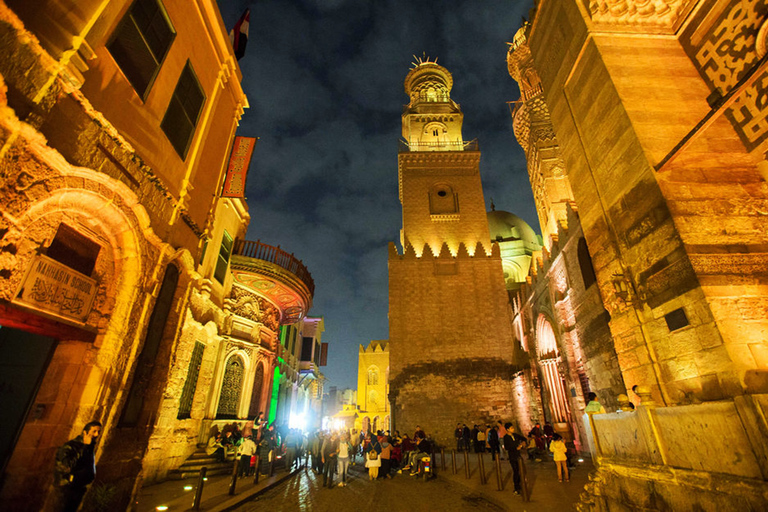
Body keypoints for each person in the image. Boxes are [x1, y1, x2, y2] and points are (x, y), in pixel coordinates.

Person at [52, 421, 102, 512]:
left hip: (79, 487)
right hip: (67, 488)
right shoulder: (71, 446)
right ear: (85, 433)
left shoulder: (89, 447)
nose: (97, 434)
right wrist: (85, 447)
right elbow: (68, 465)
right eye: (94, 431)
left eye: (99, 432)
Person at [503, 423, 526, 496]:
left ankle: (521, 485)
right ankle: (516, 488)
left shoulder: (515, 435)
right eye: (511, 428)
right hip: (512, 456)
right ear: (507, 429)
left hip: (518, 456)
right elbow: (507, 447)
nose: (513, 429)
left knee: (520, 470)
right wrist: (515, 448)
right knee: (515, 471)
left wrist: (522, 443)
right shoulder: (506, 437)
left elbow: (523, 438)